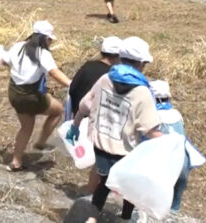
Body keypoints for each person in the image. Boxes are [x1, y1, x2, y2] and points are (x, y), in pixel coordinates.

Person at [68, 36, 163, 222]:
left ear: (121, 58)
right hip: (125, 152)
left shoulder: (105, 79)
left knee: (104, 183)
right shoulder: (142, 92)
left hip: (101, 147)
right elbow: (149, 129)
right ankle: (125, 219)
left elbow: (85, 104)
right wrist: (168, 142)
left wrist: (75, 124)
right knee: (131, 189)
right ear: (141, 64)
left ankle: (92, 219)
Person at [1, 20, 71, 171]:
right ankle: (41, 142)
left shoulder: (18, 46)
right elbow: (53, 72)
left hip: (14, 94)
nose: (51, 42)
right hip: (30, 95)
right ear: (45, 39)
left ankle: (16, 161)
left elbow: (4, 61)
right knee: (58, 110)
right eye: (50, 39)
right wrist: (71, 84)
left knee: (26, 127)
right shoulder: (42, 53)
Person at [67, 36, 122, 193]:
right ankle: (94, 194)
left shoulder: (87, 66)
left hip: (81, 115)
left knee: (97, 162)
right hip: (100, 122)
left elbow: (72, 88)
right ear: (118, 56)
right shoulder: (112, 76)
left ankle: (93, 192)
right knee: (102, 162)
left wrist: (75, 116)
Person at [150, 80, 191, 214]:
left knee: (155, 209)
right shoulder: (177, 114)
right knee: (174, 210)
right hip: (183, 166)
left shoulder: (154, 116)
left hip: (165, 169)